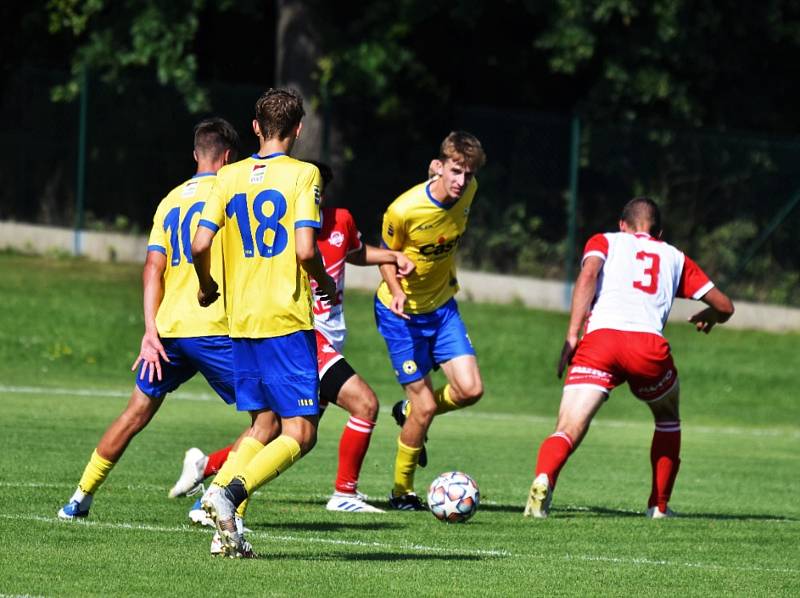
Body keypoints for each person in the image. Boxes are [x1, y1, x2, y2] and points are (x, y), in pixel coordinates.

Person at [169, 160, 416, 514]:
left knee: (281, 430)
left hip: (324, 339)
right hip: (304, 337)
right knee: (364, 404)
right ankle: (344, 493)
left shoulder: (340, 220)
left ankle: (209, 475)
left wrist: (392, 256)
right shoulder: (286, 228)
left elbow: (355, 252)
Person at [56, 117, 243, 521]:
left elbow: (151, 269)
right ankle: (216, 500)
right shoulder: (231, 192)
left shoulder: (170, 199)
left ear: (196, 154)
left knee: (135, 412)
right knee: (273, 419)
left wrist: (149, 331)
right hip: (214, 328)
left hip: (168, 330)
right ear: (229, 157)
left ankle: (79, 498)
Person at [191, 88, 337, 558]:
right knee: (302, 431)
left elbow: (199, 243)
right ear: (298, 130)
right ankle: (228, 493)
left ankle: (224, 532)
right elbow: (305, 250)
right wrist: (325, 286)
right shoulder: (304, 174)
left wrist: (206, 284)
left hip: (241, 319)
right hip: (284, 317)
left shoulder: (228, 176)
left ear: (255, 127)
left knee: (263, 423)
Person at [524, 197, 735, 519]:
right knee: (667, 419)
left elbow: (588, 276)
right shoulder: (675, 257)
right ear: (659, 232)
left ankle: (544, 478)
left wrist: (571, 335)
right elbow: (725, 306)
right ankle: (659, 507)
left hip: (600, 342)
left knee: (568, 427)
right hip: (648, 348)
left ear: (622, 224)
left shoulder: (604, 241)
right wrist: (710, 315)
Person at [374, 131, 487, 510]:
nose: (461, 181)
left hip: (442, 309)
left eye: (468, 175)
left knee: (471, 390)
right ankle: (401, 491)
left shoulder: (468, 194)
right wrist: (398, 289)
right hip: (400, 314)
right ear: (437, 167)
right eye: (455, 171)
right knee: (425, 407)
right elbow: (386, 255)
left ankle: (409, 413)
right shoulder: (403, 210)